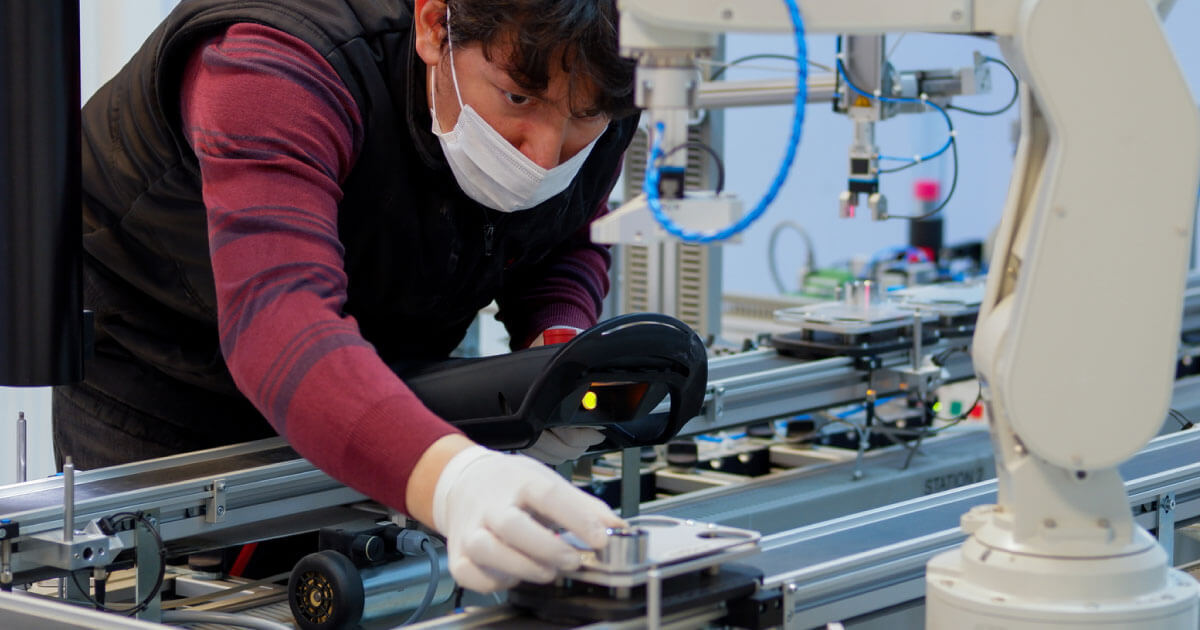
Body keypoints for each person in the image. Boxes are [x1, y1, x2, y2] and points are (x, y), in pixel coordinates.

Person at [58, 0, 640, 592]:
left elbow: (566, 225)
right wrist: (454, 480)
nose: (543, 154)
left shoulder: (615, 70)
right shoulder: (274, 62)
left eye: (584, 116)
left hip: (372, 362)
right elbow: (278, 319)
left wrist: (556, 358)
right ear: (435, 25)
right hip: (166, 373)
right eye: (518, 98)